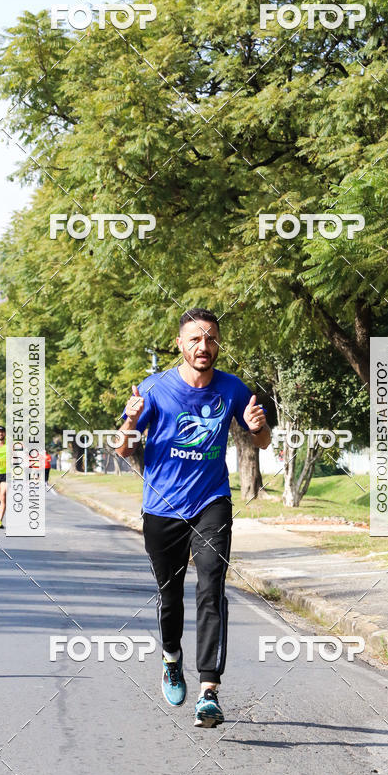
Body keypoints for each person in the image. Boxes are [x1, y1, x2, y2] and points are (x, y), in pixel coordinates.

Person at [116, 308, 271, 728]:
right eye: (196, 340)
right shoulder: (154, 389)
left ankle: (209, 690)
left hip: (212, 502)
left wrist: (259, 429)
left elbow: (261, 437)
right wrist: (131, 420)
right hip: (161, 506)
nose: (205, 347)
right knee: (170, 596)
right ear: (180, 344)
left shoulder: (232, 388)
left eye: (212, 339)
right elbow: (123, 449)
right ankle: (171, 658)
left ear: (218, 344)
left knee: (211, 588)